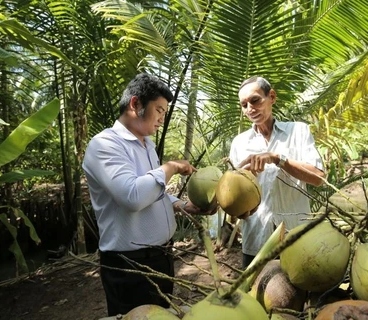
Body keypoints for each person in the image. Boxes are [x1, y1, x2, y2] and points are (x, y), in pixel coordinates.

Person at [82, 73, 213, 316]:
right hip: (130, 265)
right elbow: (132, 197)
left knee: (161, 314)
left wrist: (182, 205)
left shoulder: (147, 145)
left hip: (161, 257)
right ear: (135, 104)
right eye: (159, 110)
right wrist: (170, 167)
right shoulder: (104, 145)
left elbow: (151, 192)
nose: (162, 119)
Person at [229, 76, 326, 269]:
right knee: (254, 295)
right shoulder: (239, 143)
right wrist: (241, 195)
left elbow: (318, 177)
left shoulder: (298, 131)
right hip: (256, 240)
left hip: (296, 238)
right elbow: (233, 204)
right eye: (244, 104)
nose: (250, 109)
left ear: (271, 97)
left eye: (255, 100)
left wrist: (277, 159)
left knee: (298, 295)